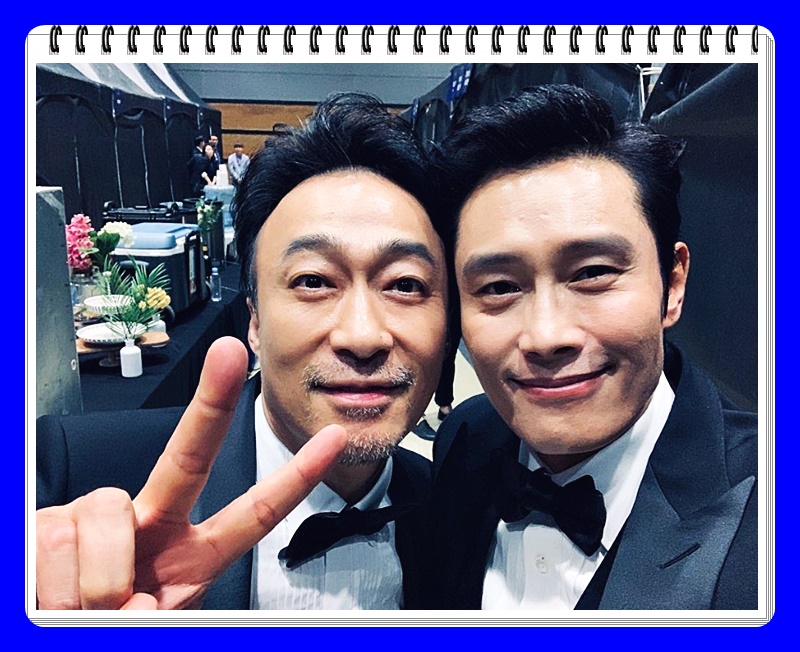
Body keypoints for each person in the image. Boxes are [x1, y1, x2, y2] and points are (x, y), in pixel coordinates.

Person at [36, 93, 448, 610]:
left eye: (406, 284)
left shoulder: (454, 504)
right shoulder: (84, 470)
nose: (363, 337)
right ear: (253, 320)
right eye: (313, 280)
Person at [427, 85, 757, 610]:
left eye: (592, 273)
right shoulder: (465, 439)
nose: (546, 336)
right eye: (499, 286)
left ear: (672, 285)